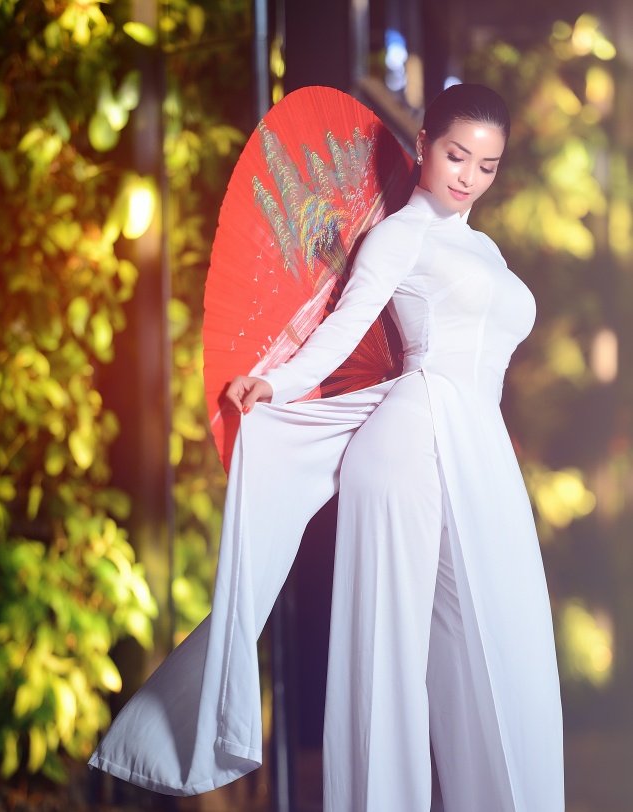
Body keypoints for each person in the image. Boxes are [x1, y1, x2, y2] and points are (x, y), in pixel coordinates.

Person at [89, 84, 564, 811]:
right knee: (388, 656)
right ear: (424, 145)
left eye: (487, 165)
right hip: (412, 438)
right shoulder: (401, 235)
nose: (468, 176)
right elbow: (344, 326)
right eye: (455, 155)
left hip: (478, 451)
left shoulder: (485, 250)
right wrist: (275, 383)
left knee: (500, 644)